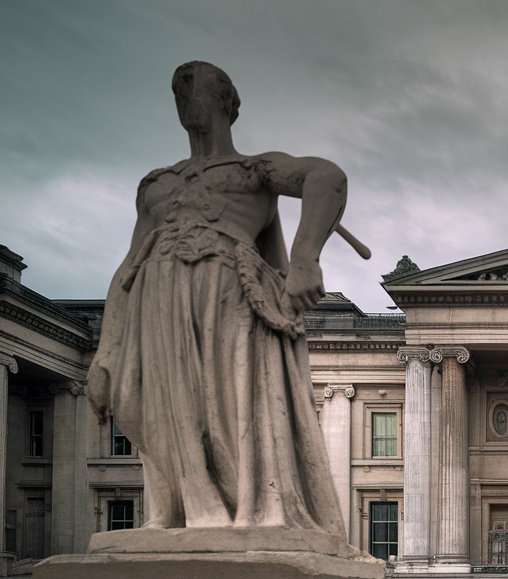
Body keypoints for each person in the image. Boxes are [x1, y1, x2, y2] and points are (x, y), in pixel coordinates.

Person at [87, 61, 356, 535]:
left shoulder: (253, 171)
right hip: (159, 300)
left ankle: (239, 511)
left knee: (229, 408)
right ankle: (181, 512)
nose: (185, 91)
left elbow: (326, 177)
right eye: (178, 87)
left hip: (229, 292)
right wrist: (106, 353)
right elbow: (128, 267)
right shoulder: (157, 185)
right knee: (143, 402)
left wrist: (306, 256)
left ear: (228, 100)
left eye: (198, 84)